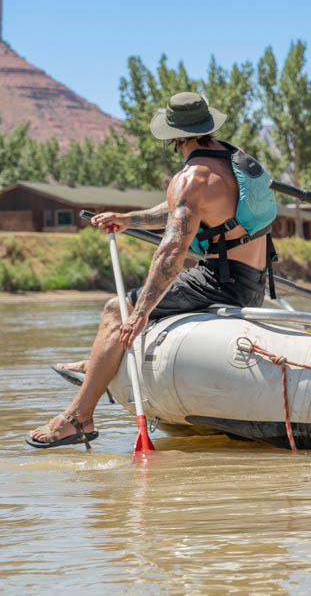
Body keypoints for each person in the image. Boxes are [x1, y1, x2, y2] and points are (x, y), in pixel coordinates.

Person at [28, 92, 277, 448]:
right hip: (252, 281)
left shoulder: (189, 178)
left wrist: (138, 314)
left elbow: (172, 254)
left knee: (117, 310)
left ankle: (76, 418)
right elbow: (184, 209)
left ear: (174, 137)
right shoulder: (233, 160)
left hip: (219, 282)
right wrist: (130, 219)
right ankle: (97, 363)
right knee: (133, 310)